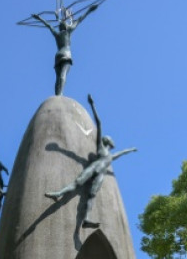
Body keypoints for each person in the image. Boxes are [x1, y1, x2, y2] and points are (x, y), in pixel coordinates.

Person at [45, 95, 136, 228]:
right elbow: (99, 124)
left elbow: (121, 153)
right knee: (77, 183)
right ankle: (59, 193)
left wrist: (131, 149)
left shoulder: (111, 155)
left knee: (91, 195)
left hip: (101, 175)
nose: (111, 140)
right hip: (94, 168)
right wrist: (92, 105)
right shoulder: (101, 147)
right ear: (107, 141)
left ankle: (86, 219)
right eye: (110, 139)